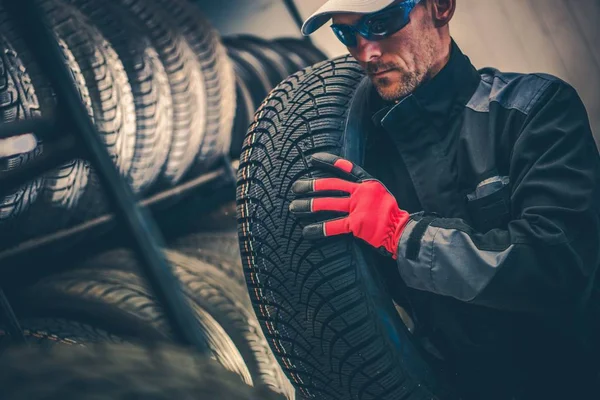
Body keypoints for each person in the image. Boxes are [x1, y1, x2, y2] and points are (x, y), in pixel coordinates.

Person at [290, 0, 600, 398]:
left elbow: (560, 266)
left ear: (441, 7)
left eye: (382, 23)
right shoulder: (359, 158)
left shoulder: (533, 110)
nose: (366, 51)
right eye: (347, 34)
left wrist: (402, 235)